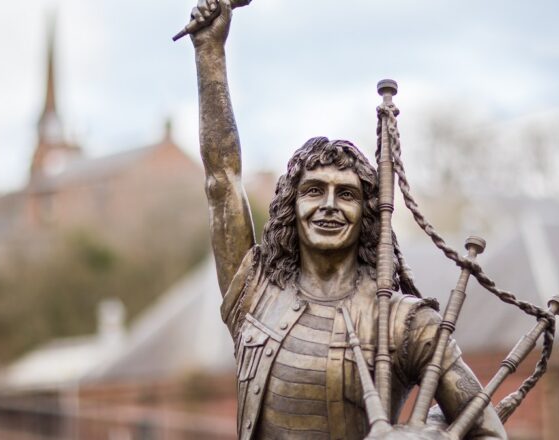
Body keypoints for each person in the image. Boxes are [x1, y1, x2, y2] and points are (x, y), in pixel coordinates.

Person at [189, 0, 508, 438]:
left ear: (368, 214)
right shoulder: (254, 294)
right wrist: (209, 52)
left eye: (347, 195)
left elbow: (487, 431)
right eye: (314, 191)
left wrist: (425, 436)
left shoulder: (404, 323)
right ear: (290, 207)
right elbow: (221, 181)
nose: (329, 206)